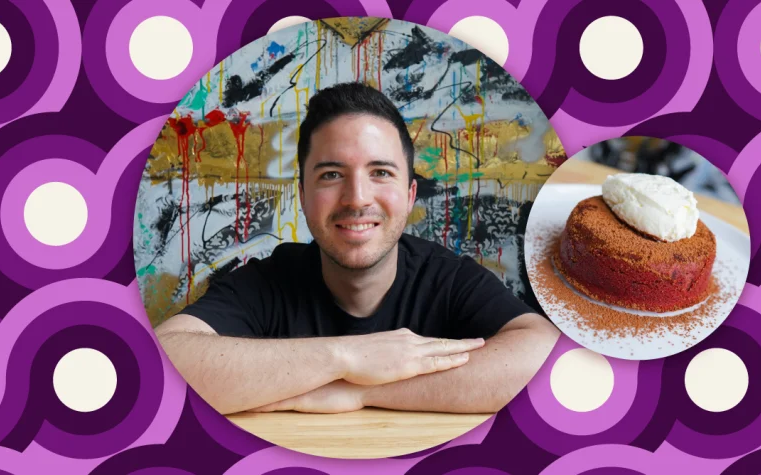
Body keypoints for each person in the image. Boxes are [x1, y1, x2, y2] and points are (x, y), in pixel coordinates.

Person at [154, 81, 560, 416]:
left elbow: (541, 355)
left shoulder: (446, 277)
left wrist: (360, 393)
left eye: (380, 172)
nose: (356, 198)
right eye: (331, 174)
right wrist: (348, 357)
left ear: (409, 193)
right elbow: (163, 363)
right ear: (303, 195)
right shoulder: (267, 281)